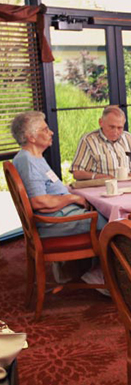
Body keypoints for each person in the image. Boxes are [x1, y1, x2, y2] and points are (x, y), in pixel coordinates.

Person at [11, 111, 107, 283]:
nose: (51, 132)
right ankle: (99, 274)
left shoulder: (34, 157)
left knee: (99, 208)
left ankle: (81, 267)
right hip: (53, 224)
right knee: (115, 224)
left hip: (59, 216)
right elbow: (39, 201)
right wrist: (73, 198)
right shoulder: (27, 161)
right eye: (45, 129)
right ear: (30, 137)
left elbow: (49, 189)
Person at [71, 105, 131, 180]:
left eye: (120, 128)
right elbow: (77, 173)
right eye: (112, 127)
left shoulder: (128, 138)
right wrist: (98, 177)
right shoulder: (88, 140)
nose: (116, 131)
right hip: (102, 189)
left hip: (130, 187)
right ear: (101, 122)